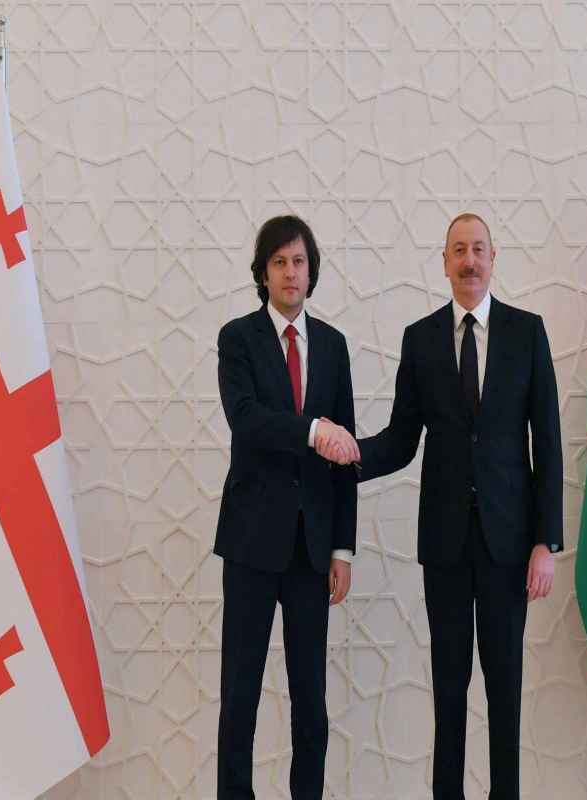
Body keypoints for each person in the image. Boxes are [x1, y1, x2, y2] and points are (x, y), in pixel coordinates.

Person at [321, 213, 562, 799]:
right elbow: (404, 437)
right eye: (459, 250)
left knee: (504, 691)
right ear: (445, 263)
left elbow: (549, 442)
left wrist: (546, 541)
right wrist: (354, 453)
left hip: (510, 545)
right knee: (449, 691)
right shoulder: (421, 339)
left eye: (478, 249)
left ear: (493, 258)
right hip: (446, 544)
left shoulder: (527, 332)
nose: (469, 260)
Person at [214, 215, 359, 798]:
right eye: (279, 262)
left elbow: (346, 451)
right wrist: (312, 431)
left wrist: (343, 548)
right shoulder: (237, 338)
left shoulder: (334, 345)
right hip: (251, 544)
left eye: (299, 261)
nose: (290, 272)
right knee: (240, 698)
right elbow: (246, 419)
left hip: (311, 550)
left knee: (311, 704)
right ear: (263, 273)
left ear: (311, 271)